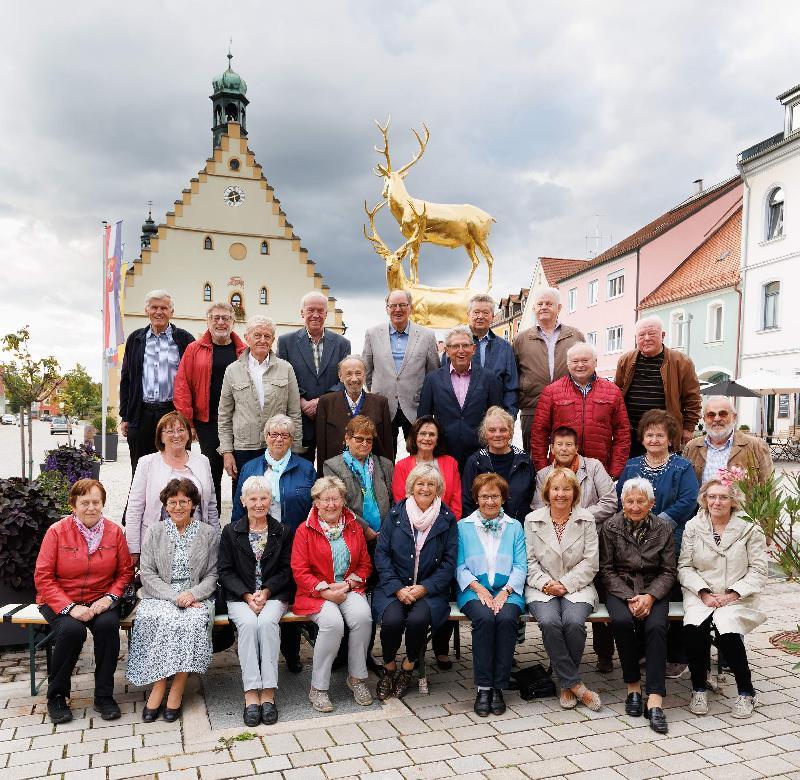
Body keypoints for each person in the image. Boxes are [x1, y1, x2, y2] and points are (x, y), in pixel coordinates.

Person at [34, 479, 134, 724]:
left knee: (107, 626)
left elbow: (125, 572)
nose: (91, 507)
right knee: (72, 630)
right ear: (73, 505)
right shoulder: (57, 532)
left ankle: (104, 696)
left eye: (96, 502)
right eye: (85, 502)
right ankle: (57, 696)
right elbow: (43, 577)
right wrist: (70, 607)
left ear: (103, 504)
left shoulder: (114, 532)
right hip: (59, 600)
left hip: (100, 598)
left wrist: (109, 598)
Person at [126, 479, 218, 723]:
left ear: (193, 505)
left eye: (183, 502)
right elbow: (146, 573)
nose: (178, 507)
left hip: (195, 597)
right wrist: (175, 597)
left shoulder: (208, 534)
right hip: (160, 595)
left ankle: (176, 688)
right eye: (172, 502)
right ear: (166, 506)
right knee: (160, 618)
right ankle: (159, 685)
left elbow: (213, 574)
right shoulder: (155, 532)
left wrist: (193, 594)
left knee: (192, 622)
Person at [616, 409, 699, 678]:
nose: (654, 439)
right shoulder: (631, 466)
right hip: (634, 540)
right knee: (638, 586)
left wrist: (658, 524)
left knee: (669, 591)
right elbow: (622, 500)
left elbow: (688, 501)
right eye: (649, 434)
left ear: (670, 439)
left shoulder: (681, 467)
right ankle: (642, 650)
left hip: (671, 539)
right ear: (642, 438)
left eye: (660, 435)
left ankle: (676, 654)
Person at [232, 415, 316, 673]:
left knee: (286, 595)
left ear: (292, 439)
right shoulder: (251, 468)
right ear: (266, 437)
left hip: (294, 543)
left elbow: (314, 509)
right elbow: (239, 508)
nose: (279, 439)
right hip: (258, 541)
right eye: (274, 434)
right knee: (261, 596)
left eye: (285, 435)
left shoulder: (305, 468)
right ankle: (256, 657)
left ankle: (291, 653)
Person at [679, 477, 768, 719]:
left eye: (723, 497)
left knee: (727, 630)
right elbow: (685, 566)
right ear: (704, 500)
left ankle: (746, 692)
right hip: (702, 594)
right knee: (694, 629)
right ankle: (698, 687)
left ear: (733, 501)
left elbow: (759, 569)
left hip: (736, 595)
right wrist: (704, 593)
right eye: (712, 497)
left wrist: (733, 594)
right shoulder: (693, 527)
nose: (717, 502)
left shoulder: (750, 527)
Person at [531, 425, 617, 672]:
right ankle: (561, 664)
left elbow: (610, 501)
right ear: (552, 448)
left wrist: (577, 517)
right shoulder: (544, 474)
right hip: (552, 548)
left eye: (569, 444)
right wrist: (562, 517)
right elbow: (539, 507)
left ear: (576, 447)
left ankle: (604, 654)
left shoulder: (594, 467)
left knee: (592, 598)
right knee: (553, 617)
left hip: (594, 539)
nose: (564, 449)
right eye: (559, 444)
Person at [373, 464, 458, 700]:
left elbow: (449, 562)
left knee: (419, 620)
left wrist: (425, 587)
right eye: (420, 483)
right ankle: (389, 668)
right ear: (411, 486)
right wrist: (397, 588)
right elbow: (382, 555)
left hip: (429, 590)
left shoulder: (447, 519)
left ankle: (408, 667)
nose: (425, 488)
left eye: (431, 484)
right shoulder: (395, 515)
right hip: (393, 587)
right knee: (391, 621)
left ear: (438, 489)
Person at [290, 477, 374, 712]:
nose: (331, 505)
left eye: (335, 499)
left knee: (363, 617)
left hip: (348, 586)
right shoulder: (304, 529)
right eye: (325, 499)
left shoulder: (354, 525)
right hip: (315, 592)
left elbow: (365, 565)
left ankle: (356, 678)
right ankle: (318, 687)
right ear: (316, 502)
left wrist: (347, 585)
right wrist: (326, 591)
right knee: (332, 623)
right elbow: (299, 570)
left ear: (343, 500)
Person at [600, 478, 677, 734]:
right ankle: (633, 685)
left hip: (654, 588)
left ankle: (655, 699)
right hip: (620, 588)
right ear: (622, 502)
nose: (634, 506)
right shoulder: (611, 526)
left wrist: (650, 597)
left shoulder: (663, 528)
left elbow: (668, 571)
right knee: (621, 622)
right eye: (630, 501)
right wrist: (629, 597)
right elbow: (606, 570)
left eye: (640, 501)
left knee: (656, 626)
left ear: (651, 503)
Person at [219, 476, 294, 726]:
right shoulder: (231, 532)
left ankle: (268, 694)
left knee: (267, 624)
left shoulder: (283, 531)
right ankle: (251, 694)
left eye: (263, 498)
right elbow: (225, 571)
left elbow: (286, 570)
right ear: (243, 501)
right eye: (253, 498)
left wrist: (267, 591)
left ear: (270, 500)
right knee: (249, 626)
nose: (259, 503)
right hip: (241, 596)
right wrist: (247, 594)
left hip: (273, 594)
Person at [524, 467, 602, 712]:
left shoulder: (586, 519)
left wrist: (566, 584)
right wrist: (546, 584)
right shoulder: (532, 519)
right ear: (547, 492)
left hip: (577, 586)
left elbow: (591, 562)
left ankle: (567, 684)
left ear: (574, 492)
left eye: (566, 489)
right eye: (556, 488)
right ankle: (574, 684)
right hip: (542, 586)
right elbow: (528, 561)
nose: (560, 494)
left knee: (573, 622)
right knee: (549, 622)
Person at [457, 474, 526, 717]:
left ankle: (499, 687)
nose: (489, 501)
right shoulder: (463, 526)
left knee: (506, 619)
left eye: (495, 496)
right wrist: (479, 588)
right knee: (485, 619)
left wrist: (506, 592)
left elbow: (521, 565)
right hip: (474, 590)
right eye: (484, 496)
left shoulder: (515, 527)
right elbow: (459, 566)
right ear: (476, 498)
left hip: (509, 590)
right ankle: (483, 688)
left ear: (503, 498)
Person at [173, 301, 247, 511]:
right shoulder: (194, 349)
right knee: (211, 475)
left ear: (233, 321)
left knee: (240, 474)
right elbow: (182, 385)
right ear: (208, 321)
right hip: (208, 423)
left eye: (226, 318)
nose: (221, 322)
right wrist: (188, 422)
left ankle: (238, 526)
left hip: (239, 423)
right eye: (216, 318)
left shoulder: (244, 351)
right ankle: (212, 525)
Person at [218, 315, 303, 496]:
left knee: (276, 496)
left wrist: (294, 449)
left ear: (273, 339)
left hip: (277, 446)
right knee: (244, 497)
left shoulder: (285, 368)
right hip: (243, 448)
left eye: (267, 336)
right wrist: (227, 451)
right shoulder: (232, 370)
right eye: (257, 335)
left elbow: (294, 412)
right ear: (247, 337)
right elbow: (224, 415)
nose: (262, 340)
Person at [125, 411, 219, 566]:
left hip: (198, 541)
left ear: (189, 435)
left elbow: (211, 506)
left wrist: (216, 542)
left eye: (181, 430)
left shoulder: (202, 461)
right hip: (157, 542)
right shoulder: (147, 463)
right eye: (170, 431)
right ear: (160, 437)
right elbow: (135, 507)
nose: (176, 435)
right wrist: (134, 548)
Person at [119, 289, 195, 476]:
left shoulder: (185, 339)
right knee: (140, 469)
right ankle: (138, 506)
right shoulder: (135, 339)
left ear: (172, 312)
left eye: (164, 308)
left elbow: (194, 381)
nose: (159, 312)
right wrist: (125, 416)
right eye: (154, 307)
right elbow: (126, 379)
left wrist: (191, 421)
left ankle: (177, 505)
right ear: (147, 310)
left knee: (176, 467)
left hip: (172, 412)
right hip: (141, 412)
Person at [531, 343, 630, 479]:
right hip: (561, 471)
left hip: (600, 472)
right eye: (575, 361)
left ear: (595, 362)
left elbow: (622, 434)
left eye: (585, 360)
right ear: (567, 364)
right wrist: (543, 470)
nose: (580, 365)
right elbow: (539, 434)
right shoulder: (551, 392)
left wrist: (614, 472)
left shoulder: (613, 392)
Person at [277, 291, 351, 465]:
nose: (316, 315)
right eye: (311, 310)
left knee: (331, 468)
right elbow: (283, 378)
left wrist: (322, 401)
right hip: (299, 418)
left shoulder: (342, 344)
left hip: (331, 417)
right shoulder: (286, 342)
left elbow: (345, 380)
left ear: (326, 313)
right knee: (301, 469)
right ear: (302, 312)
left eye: (320, 310)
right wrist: (301, 402)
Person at [417, 326, 504, 469]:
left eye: (465, 345)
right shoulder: (432, 379)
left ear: (474, 349)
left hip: (479, 452)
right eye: (455, 346)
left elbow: (496, 416)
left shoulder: (489, 378)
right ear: (447, 350)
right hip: (443, 451)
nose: (461, 350)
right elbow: (423, 418)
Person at [614, 315, 702, 456]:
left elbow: (693, 398)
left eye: (652, 333)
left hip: (666, 435)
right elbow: (616, 394)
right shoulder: (626, 360)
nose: (646, 338)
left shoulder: (681, 362)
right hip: (632, 435)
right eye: (641, 335)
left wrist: (689, 428)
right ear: (636, 338)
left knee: (665, 474)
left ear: (663, 335)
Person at [362, 289, 440, 445]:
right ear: (387, 308)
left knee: (418, 457)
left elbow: (433, 372)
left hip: (415, 407)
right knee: (383, 459)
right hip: (382, 405)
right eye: (393, 305)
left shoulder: (427, 336)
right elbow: (366, 370)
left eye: (403, 305)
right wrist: (378, 391)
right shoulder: (372, 334)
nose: (398, 309)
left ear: (410, 307)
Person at [513, 287, 585, 456]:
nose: (544, 307)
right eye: (540, 304)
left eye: (549, 303)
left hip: (567, 405)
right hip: (532, 406)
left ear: (559, 308)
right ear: (534, 308)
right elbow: (514, 374)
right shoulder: (521, 339)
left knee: (566, 453)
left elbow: (585, 368)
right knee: (533, 456)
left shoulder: (575, 336)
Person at [441, 294, 519, 419]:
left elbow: (511, 387)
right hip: (459, 417)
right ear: (468, 315)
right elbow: (443, 382)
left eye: (485, 313)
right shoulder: (454, 346)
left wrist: (509, 417)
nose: (480, 316)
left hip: (494, 418)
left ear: (492, 317)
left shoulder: (504, 348)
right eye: (476, 312)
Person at [315, 355, 394, 473]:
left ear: (365, 375)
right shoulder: (326, 402)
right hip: (336, 472)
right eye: (348, 374)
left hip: (371, 472)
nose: (354, 379)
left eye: (358, 373)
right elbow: (321, 445)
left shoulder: (380, 403)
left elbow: (387, 445)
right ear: (340, 377)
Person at [462, 406, 535, 522]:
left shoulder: (524, 461)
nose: (497, 434)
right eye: (492, 430)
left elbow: (531, 500)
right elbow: (467, 502)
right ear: (485, 434)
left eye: (503, 430)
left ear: (511, 432)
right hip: (482, 530)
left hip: (518, 529)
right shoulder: (475, 462)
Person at [682, 396, 773, 485]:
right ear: (704, 419)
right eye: (711, 415)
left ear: (734, 417)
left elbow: (768, 489)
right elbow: (684, 486)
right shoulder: (692, 447)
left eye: (722, 414)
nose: (716, 419)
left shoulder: (756, 446)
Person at [393, 415, 462, 519]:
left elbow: (456, 501)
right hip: (412, 524)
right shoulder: (401, 466)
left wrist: (452, 523)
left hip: (445, 523)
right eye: (422, 434)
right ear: (415, 437)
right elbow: (401, 501)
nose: (427, 438)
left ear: (437, 439)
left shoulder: (450, 463)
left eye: (432, 434)